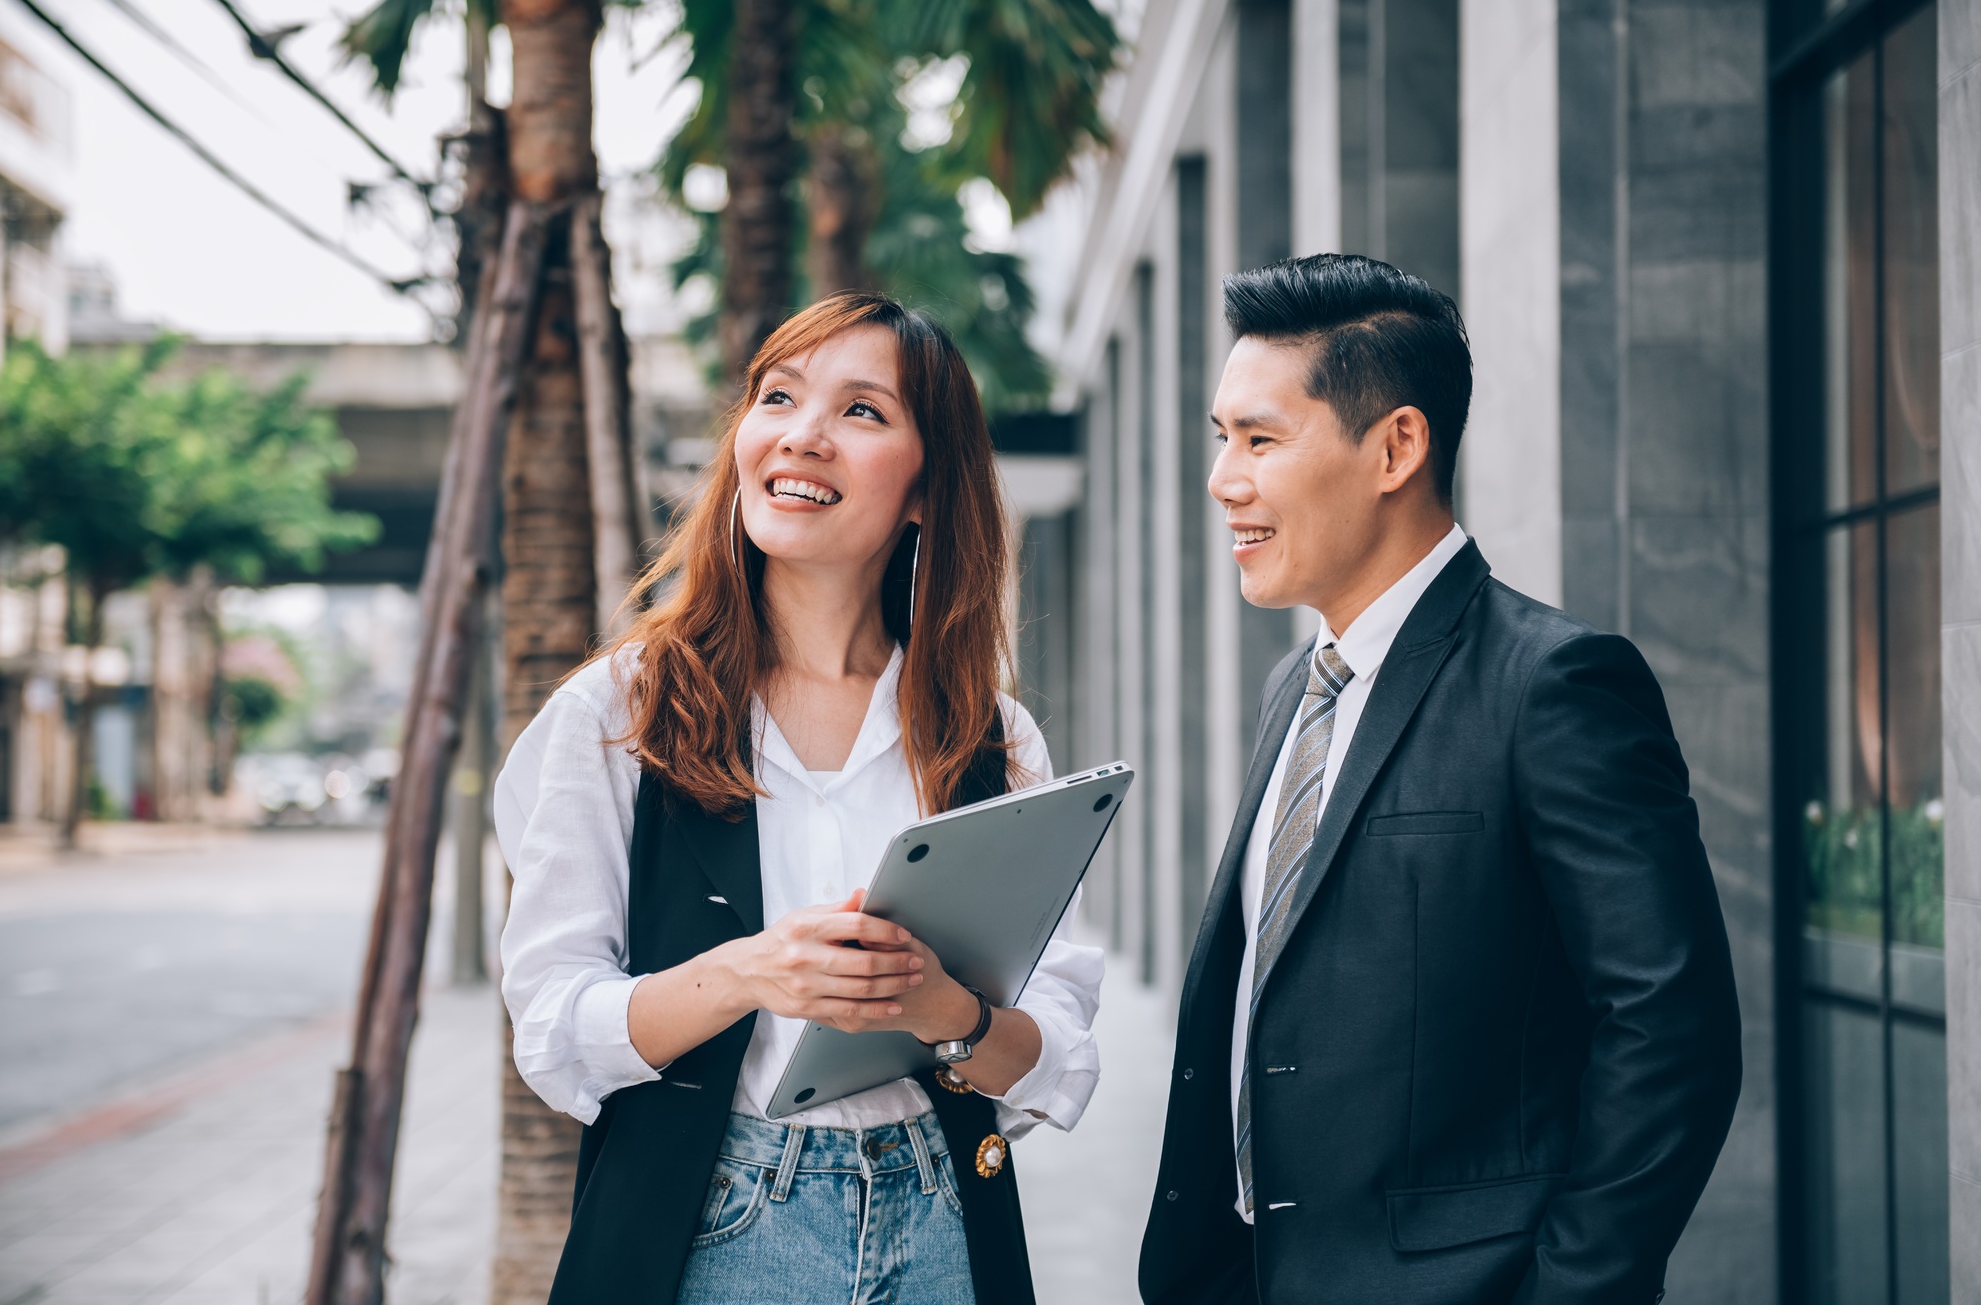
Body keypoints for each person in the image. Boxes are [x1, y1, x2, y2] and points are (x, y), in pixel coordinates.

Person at [1138, 254, 1742, 1305]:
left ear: (1396, 448)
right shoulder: (1294, 687)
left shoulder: (1554, 685)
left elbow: (1670, 1030)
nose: (1223, 479)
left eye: (1260, 440)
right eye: (1220, 438)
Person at [495, 292, 1101, 1305]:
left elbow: (1058, 1056)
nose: (802, 435)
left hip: (942, 1220)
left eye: (861, 410)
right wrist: (748, 972)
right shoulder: (620, 711)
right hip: (713, 1229)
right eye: (777, 397)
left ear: (926, 486)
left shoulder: (987, 735)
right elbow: (554, 1031)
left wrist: (943, 1011)